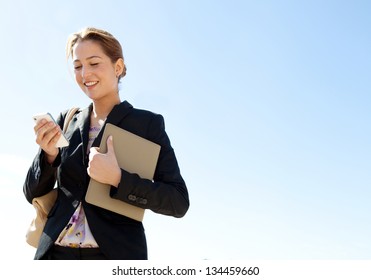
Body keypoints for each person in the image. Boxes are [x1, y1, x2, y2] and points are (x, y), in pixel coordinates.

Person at [23, 27, 190, 260]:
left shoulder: (147, 124)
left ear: (118, 67)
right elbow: (30, 192)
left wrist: (118, 179)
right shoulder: (66, 120)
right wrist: (48, 157)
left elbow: (178, 201)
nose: (84, 74)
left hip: (113, 257)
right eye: (78, 66)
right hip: (55, 256)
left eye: (94, 63)